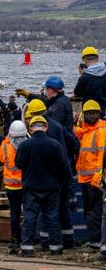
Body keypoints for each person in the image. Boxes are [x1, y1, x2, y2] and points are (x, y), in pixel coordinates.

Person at [16, 116, 71, 256]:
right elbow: (64, 168)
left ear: (30, 128)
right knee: (52, 217)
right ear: (46, 128)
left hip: (31, 188)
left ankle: (27, 248)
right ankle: (56, 248)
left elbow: (19, 164)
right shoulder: (55, 145)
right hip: (51, 187)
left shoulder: (24, 145)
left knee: (30, 217)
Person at [24, 98, 75, 249]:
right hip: (61, 174)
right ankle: (68, 242)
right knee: (62, 210)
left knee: (45, 212)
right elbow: (73, 143)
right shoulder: (57, 126)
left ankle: (45, 243)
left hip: (46, 178)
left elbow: (22, 162)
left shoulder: (36, 135)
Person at [74, 100, 106, 250]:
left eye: (94, 113)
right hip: (85, 178)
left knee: (94, 212)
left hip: (94, 180)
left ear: (99, 114)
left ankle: (95, 241)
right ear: (84, 115)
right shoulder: (87, 131)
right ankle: (94, 240)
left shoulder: (101, 131)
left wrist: (97, 178)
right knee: (89, 211)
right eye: (89, 113)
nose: (92, 116)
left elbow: (101, 156)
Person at [0, 120, 29, 254]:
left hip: (11, 186)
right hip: (25, 184)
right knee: (28, 212)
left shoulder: (6, 146)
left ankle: (15, 238)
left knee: (14, 213)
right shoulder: (27, 145)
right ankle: (27, 237)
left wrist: (6, 140)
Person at [73, 46, 106, 116]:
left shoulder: (85, 78)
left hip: (90, 112)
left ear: (84, 59)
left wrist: (82, 75)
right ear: (97, 58)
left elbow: (77, 93)